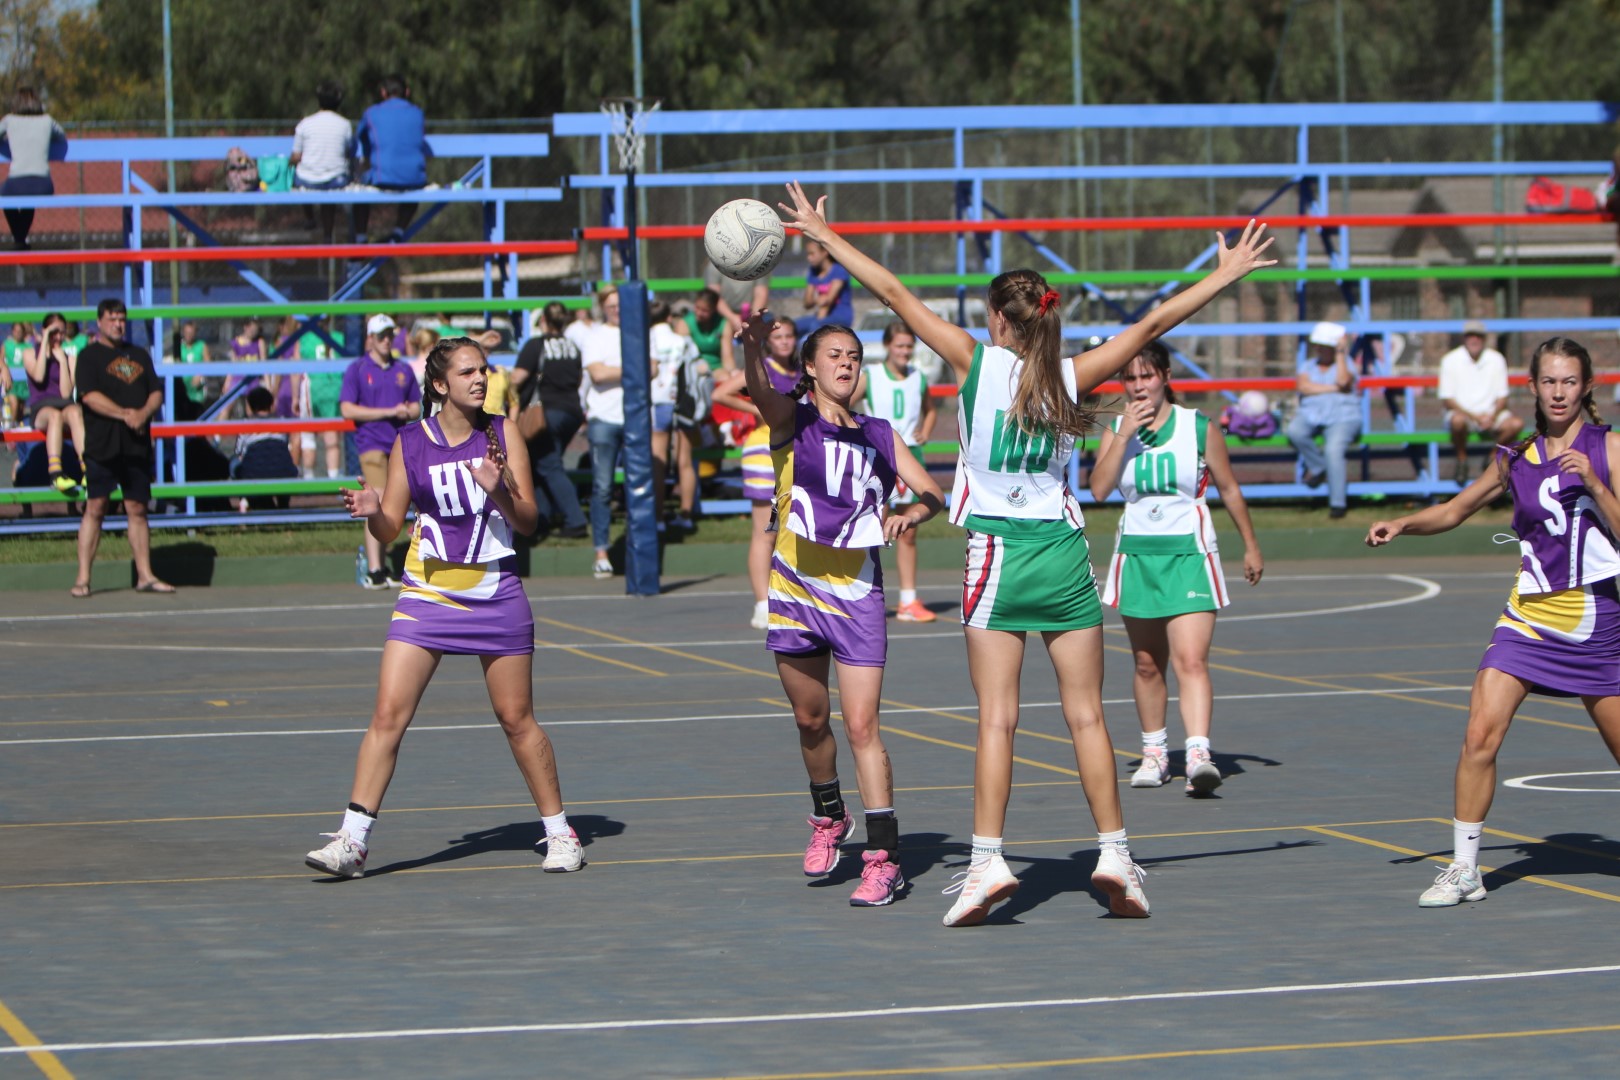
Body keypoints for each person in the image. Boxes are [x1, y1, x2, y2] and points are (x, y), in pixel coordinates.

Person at [778, 181, 1275, 926]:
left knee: (998, 720)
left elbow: (892, 290)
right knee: (1087, 717)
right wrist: (1225, 273)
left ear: (996, 320)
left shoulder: (976, 363)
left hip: (998, 556)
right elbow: (1156, 321)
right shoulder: (1074, 374)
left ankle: (986, 864)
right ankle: (1116, 855)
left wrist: (826, 237)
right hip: (1064, 555)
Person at [306, 335, 583, 879]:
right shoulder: (410, 441)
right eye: (466, 372)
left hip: (495, 592)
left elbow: (528, 521)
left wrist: (499, 489)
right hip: (428, 593)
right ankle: (352, 842)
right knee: (388, 715)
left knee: (516, 719)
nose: (480, 379)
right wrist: (372, 509)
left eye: (483, 370)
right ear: (439, 384)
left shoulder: (503, 432)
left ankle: (561, 833)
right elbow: (389, 527)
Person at [1366, 337, 1620, 908]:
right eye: (1549, 381)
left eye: (1570, 381)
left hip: (1593, 620)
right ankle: (1464, 869)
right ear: (1532, 387)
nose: (1559, 392)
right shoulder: (1514, 457)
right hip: (1526, 617)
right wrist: (1403, 524)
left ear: (1587, 387)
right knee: (1480, 734)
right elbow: (1455, 510)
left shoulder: (1609, 448)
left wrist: (1596, 484)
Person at [741, 310, 944, 908]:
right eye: (833, 355)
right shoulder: (792, 421)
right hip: (796, 591)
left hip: (857, 596)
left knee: (861, 726)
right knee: (811, 720)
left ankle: (884, 860)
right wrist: (753, 348)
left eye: (853, 356)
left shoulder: (879, 433)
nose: (846, 364)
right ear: (808, 367)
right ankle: (830, 816)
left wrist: (913, 512)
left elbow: (932, 491)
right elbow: (760, 391)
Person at [1088, 339, 1264, 795]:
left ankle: (1199, 754)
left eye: (1147, 375)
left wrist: (1250, 546)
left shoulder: (1197, 427)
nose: (1139, 385)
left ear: (1165, 376)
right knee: (1147, 663)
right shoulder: (1117, 428)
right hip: (1138, 555)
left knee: (1191, 659)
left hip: (1189, 554)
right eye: (1130, 377)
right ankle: (1155, 754)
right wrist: (1123, 434)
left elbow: (1230, 489)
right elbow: (1100, 489)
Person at [71, 299, 174, 598]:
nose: (118, 324)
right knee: (96, 507)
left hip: (136, 446)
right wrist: (125, 414)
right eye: (112, 319)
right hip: (102, 444)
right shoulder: (88, 356)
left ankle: (145, 575)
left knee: (138, 508)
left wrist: (143, 413)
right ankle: (83, 578)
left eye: (122, 319)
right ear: (99, 322)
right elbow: (89, 396)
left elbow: (156, 393)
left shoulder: (139, 354)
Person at [713, 313, 801, 629]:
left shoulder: (801, 371)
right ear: (768, 341)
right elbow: (720, 393)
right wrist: (759, 409)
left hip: (797, 451)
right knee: (766, 531)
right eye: (778, 337)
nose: (784, 342)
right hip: (763, 451)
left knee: (794, 528)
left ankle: (791, 598)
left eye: (788, 336)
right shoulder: (763, 367)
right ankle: (763, 604)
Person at [862, 320, 938, 623]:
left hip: (910, 455)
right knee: (871, 529)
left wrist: (926, 430)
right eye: (899, 346)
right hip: (878, 455)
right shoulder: (871, 376)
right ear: (887, 346)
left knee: (908, 531)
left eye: (909, 346)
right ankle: (863, 596)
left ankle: (908, 599)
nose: (905, 351)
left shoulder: (918, 378)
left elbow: (930, 409)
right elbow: (843, 404)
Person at [341, 314, 422, 588]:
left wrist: (407, 411)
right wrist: (387, 411)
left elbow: (415, 405)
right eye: (381, 336)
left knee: (392, 502)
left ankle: (382, 564)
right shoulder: (357, 369)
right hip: (371, 443)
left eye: (389, 335)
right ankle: (375, 567)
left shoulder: (403, 369)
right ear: (371, 339)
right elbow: (347, 408)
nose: (387, 341)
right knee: (375, 498)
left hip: (399, 443)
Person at [511, 302, 587, 540]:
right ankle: (541, 519)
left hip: (546, 413)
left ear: (543, 320)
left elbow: (517, 378)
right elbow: (578, 379)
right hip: (572, 412)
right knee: (542, 464)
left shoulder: (536, 345)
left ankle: (576, 521)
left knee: (549, 466)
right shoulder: (573, 347)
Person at [1285, 321, 1360, 519]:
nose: (1318, 349)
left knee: (1333, 450)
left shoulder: (1347, 364)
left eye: (1324, 345)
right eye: (1317, 345)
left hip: (1343, 418)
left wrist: (1340, 354)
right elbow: (1304, 387)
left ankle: (1338, 504)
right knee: (1294, 430)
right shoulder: (1308, 365)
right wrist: (1334, 388)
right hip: (1311, 415)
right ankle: (1319, 467)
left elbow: (1343, 381)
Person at [1439, 320, 1523, 485]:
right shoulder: (1450, 360)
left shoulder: (1496, 359)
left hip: (1491, 414)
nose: (1474, 339)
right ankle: (1462, 460)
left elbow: (1502, 396)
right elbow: (1447, 399)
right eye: (1471, 336)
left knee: (1516, 424)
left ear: (1484, 339)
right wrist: (1476, 417)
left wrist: (1491, 416)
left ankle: (1492, 457)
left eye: (1478, 336)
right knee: (1457, 421)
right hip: (1464, 414)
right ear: (1464, 338)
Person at [353, 74, 431, 243]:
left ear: (383, 92)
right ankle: (398, 232)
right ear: (407, 92)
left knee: (358, 190)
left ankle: (361, 238)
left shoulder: (372, 113)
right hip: (415, 178)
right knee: (412, 187)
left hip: (383, 177)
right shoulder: (418, 113)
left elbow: (359, 137)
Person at [580, 286, 625, 579]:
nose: (617, 310)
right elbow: (597, 374)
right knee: (603, 487)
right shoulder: (594, 336)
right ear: (603, 308)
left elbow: (652, 369)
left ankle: (637, 550)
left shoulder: (640, 332)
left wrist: (612, 370)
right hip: (603, 419)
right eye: (611, 306)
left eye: (620, 305)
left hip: (635, 419)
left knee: (639, 488)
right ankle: (601, 552)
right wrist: (632, 370)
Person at [649, 300, 700, 531]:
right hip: (682, 403)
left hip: (657, 401)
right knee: (685, 461)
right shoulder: (682, 341)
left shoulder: (647, 339)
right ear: (669, 318)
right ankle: (686, 515)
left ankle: (658, 518)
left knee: (658, 462)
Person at [23, 313, 87, 493]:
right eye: (54, 333)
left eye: (62, 333)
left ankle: (87, 468)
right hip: (42, 408)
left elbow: (66, 394)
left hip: (64, 406)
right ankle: (55, 473)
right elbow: (38, 376)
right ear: (45, 331)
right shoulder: (30, 353)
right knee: (55, 416)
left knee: (75, 411)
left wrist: (62, 362)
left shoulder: (71, 359)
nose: (58, 337)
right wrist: (45, 343)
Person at [0, 86, 67, 250]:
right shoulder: (47, 120)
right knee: (29, 198)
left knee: (4, 195)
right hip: (43, 184)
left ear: (16, 103)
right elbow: (61, 135)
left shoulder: (9, 120)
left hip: (16, 184)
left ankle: (19, 240)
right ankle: (20, 242)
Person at [291, 79, 354, 243]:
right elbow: (349, 151)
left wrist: (290, 162)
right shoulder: (345, 124)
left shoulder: (305, 123)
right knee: (329, 193)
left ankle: (310, 218)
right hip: (336, 179)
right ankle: (327, 234)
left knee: (300, 179)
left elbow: (296, 156)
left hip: (307, 179)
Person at [231, 385, 300, 510]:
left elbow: (239, 453)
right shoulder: (282, 421)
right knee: (279, 458)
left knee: (234, 462)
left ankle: (245, 499)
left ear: (249, 407)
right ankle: (283, 502)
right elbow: (285, 443)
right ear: (271, 405)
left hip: (254, 474)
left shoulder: (245, 424)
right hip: (282, 473)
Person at [296, 316, 346, 477]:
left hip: (313, 389)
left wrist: (295, 398)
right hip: (334, 389)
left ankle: (308, 477)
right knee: (332, 434)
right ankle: (333, 477)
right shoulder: (339, 337)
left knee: (308, 435)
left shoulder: (305, 339)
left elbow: (296, 371)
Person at [800, 239, 853, 333]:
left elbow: (827, 302)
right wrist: (818, 300)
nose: (809, 258)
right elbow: (807, 303)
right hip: (820, 318)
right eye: (808, 254)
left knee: (816, 326)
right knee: (794, 326)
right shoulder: (813, 271)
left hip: (840, 317)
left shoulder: (838, 270)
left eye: (812, 254)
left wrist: (818, 302)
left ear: (824, 252)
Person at [683, 288, 735, 374]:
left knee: (726, 377)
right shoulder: (685, 323)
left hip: (716, 368)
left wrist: (732, 372)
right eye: (697, 307)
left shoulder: (723, 324)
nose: (699, 313)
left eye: (704, 310)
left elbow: (727, 357)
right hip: (693, 369)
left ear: (713, 309)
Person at [175, 321, 212, 408]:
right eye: (186, 332)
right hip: (183, 385)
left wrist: (200, 374)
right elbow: (176, 364)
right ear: (183, 332)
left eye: (191, 333)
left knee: (197, 409)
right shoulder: (179, 347)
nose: (188, 335)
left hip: (198, 386)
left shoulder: (201, 345)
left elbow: (208, 364)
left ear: (195, 333)